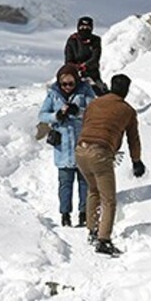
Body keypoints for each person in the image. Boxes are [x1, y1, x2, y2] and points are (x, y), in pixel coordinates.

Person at [74, 74, 145, 257]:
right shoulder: (127, 110)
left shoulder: (94, 104)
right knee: (109, 199)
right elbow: (133, 139)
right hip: (101, 153)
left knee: (93, 191)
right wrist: (136, 161)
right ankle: (104, 240)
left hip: (80, 151)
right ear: (126, 90)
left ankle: (92, 231)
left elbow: (86, 124)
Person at [39, 64, 96, 227]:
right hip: (63, 147)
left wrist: (77, 111)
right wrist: (57, 115)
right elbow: (42, 114)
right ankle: (65, 214)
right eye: (64, 84)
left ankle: (84, 213)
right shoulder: (53, 93)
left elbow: (94, 112)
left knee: (84, 182)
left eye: (71, 83)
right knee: (65, 183)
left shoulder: (85, 91)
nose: (68, 87)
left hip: (82, 143)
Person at [64, 16, 104, 93]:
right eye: (82, 27)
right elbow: (68, 59)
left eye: (87, 27)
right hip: (74, 74)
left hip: (92, 74)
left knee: (101, 93)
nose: (84, 29)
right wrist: (76, 67)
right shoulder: (72, 40)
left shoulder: (95, 40)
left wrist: (85, 66)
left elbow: (95, 57)